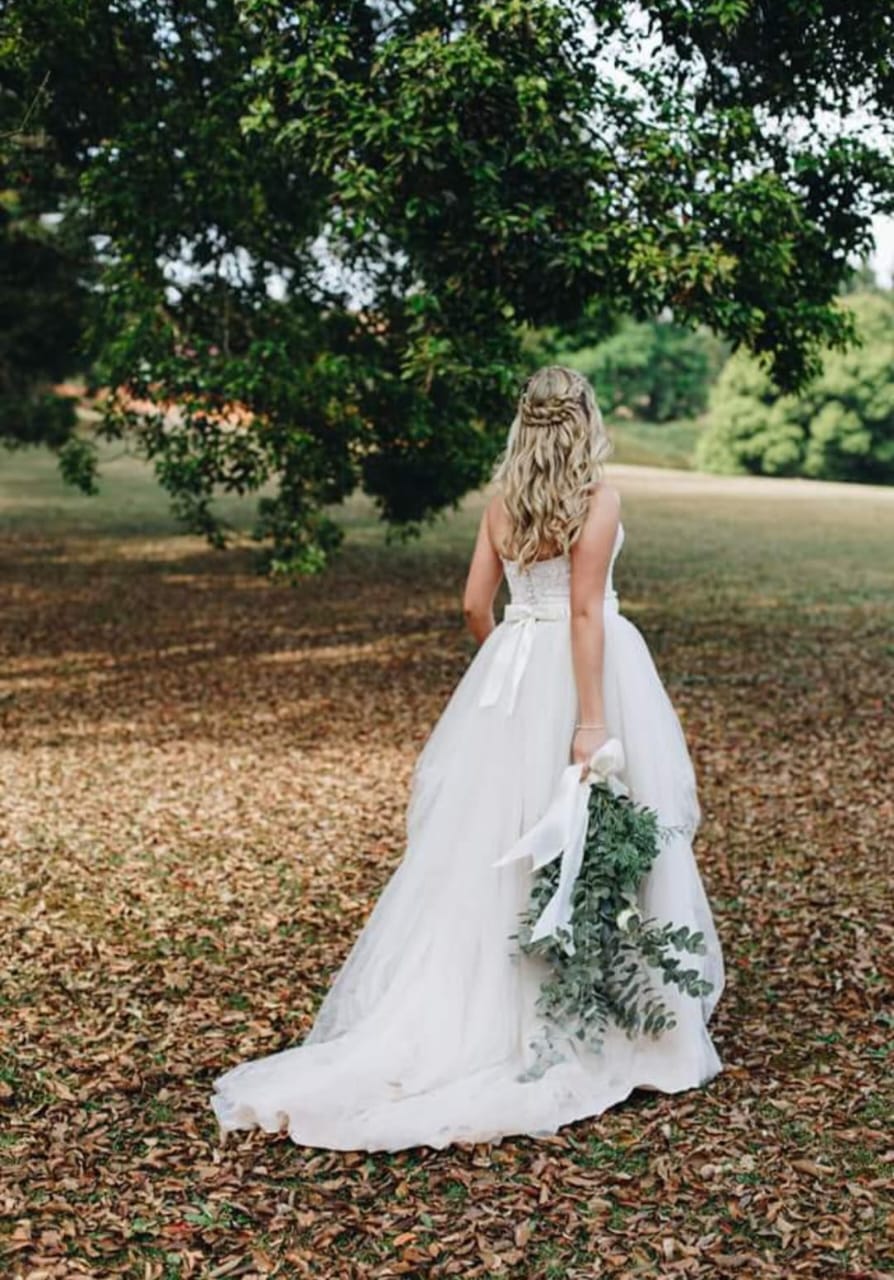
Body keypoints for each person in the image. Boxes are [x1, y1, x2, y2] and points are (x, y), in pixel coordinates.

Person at [210, 365, 724, 1152]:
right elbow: (585, 610)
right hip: (591, 673)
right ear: (585, 419)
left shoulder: (501, 504)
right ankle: (613, 1020)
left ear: (524, 423)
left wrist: (509, 663)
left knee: (495, 841)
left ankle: (517, 1004)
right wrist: (590, 722)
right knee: (596, 834)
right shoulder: (599, 499)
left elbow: (472, 606)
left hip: (514, 674)